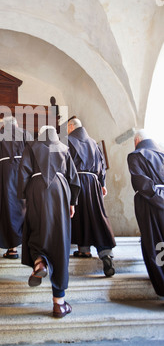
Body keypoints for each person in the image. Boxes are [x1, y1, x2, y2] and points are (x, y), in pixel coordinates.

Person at [18, 125, 80, 318]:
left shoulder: (31, 147)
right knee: (59, 240)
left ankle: (40, 261)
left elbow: (22, 175)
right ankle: (59, 304)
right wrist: (72, 202)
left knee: (37, 230)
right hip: (60, 191)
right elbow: (74, 179)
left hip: (36, 189)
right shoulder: (64, 148)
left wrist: (25, 196)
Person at [67, 118, 116, 276]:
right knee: (96, 217)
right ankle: (102, 253)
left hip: (76, 182)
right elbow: (102, 165)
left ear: (71, 126)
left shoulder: (67, 140)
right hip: (93, 183)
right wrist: (103, 184)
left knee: (78, 216)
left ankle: (86, 249)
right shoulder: (94, 143)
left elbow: (64, 163)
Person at [0, 116, 32, 259]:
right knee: (25, 207)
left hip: (5, 173)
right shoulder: (25, 133)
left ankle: (12, 248)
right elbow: (34, 154)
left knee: (7, 207)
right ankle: (28, 246)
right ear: (16, 124)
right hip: (24, 172)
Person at [127, 129, 164, 296]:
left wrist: (159, 200)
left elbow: (142, 184)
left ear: (137, 140)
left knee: (155, 245)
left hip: (151, 205)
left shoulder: (136, 155)